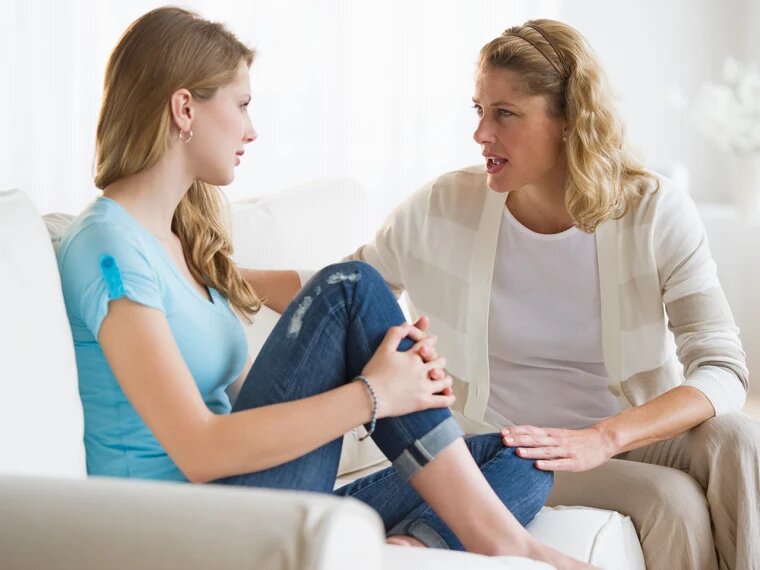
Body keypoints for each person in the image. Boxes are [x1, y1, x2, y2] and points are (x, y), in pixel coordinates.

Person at [55, 7, 593, 568]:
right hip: (187, 530)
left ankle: (416, 546)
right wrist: (374, 395)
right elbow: (197, 449)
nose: (251, 129)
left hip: (242, 502)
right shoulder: (109, 245)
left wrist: (379, 378)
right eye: (241, 105)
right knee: (349, 288)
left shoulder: (182, 243)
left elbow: (255, 412)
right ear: (184, 107)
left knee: (523, 453)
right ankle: (511, 546)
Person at [334, 18, 758, 570]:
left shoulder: (653, 210)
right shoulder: (444, 207)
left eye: (504, 114)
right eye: (479, 111)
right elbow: (346, 287)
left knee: (738, 436)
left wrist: (605, 437)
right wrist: (216, 270)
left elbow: (723, 367)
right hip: (516, 448)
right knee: (671, 502)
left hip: (624, 430)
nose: (481, 133)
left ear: (569, 122)